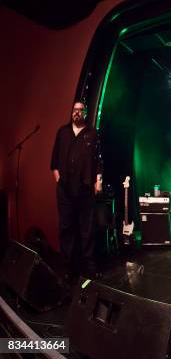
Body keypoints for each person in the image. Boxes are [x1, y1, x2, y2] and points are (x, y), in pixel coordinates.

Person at [51, 100, 103, 280]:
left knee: (87, 228)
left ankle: (89, 266)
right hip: (65, 190)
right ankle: (69, 268)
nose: (77, 113)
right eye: (75, 109)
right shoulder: (62, 132)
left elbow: (98, 161)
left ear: (85, 113)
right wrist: (59, 180)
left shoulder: (92, 134)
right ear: (71, 111)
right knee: (66, 228)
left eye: (81, 110)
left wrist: (98, 180)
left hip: (85, 189)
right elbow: (54, 161)